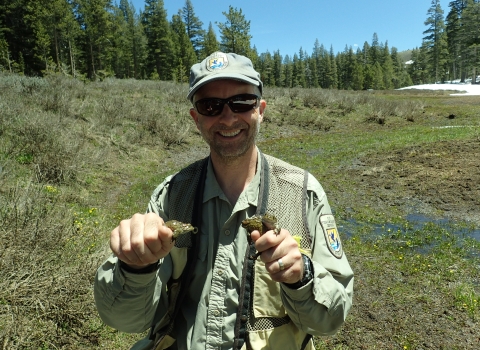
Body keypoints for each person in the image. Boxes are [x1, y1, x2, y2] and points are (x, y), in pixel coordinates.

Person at [94, 51, 354, 350]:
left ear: (261, 110)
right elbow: (127, 321)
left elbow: (331, 322)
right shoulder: (171, 196)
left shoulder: (303, 193)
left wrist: (302, 277)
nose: (228, 117)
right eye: (210, 105)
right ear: (196, 118)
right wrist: (135, 267)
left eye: (242, 102)